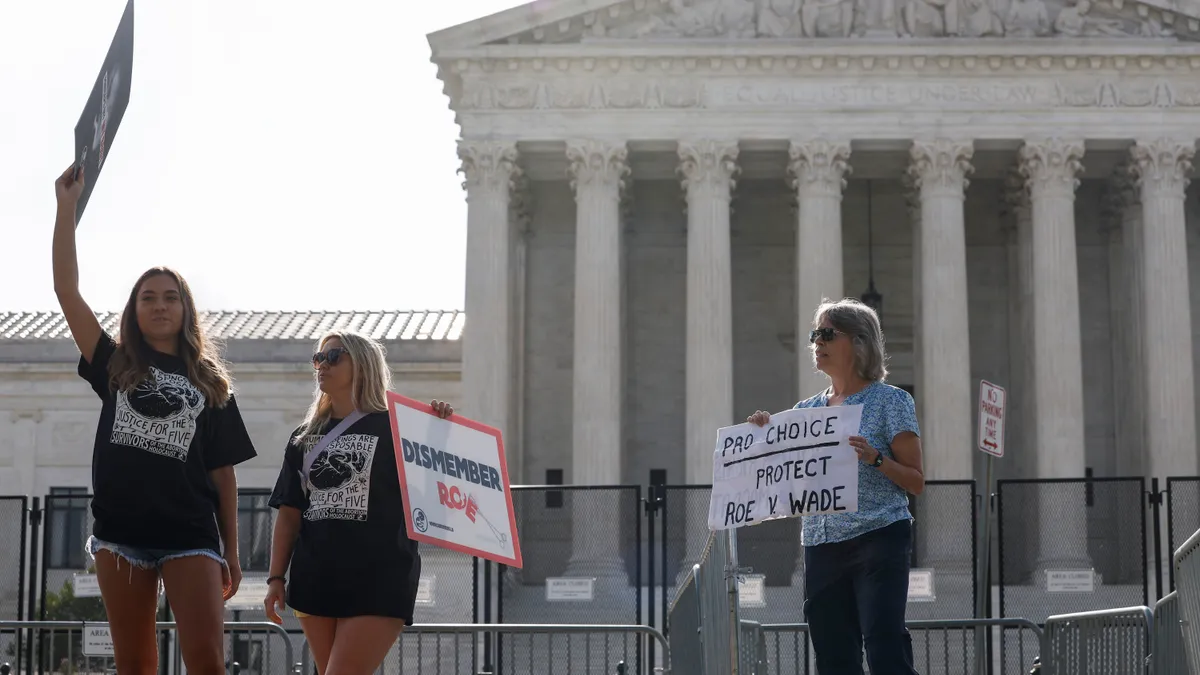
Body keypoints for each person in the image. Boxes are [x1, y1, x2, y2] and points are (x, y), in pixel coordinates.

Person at [52, 165, 257, 675]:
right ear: (134, 310)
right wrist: (65, 209)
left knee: (206, 659)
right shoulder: (114, 362)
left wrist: (232, 552)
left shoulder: (211, 382)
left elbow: (223, 474)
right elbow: (65, 291)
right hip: (120, 533)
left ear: (186, 309)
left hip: (190, 532)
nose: (160, 306)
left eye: (170, 297)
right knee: (135, 664)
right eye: (148, 298)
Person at [747, 298, 925, 675]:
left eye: (827, 334)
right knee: (832, 654)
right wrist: (764, 432)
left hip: (878, 536)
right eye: (815, 335)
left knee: (884, 644)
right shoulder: (805, 412)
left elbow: (916, 480)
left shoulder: (892, 401)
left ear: (859, 341)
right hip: (821, 543)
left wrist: (876, 458)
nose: (817, 342)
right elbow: (781, 470)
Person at [264, 330, 453, 675]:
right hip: (315, 576)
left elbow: (440, 485)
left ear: (363, 364)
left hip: (380, 577)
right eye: (318, 358)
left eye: (334, 357)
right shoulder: (303, 436)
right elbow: (290, 512)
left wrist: (440, 429)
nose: (322, 365)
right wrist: (276, 577)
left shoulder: (400, 427)